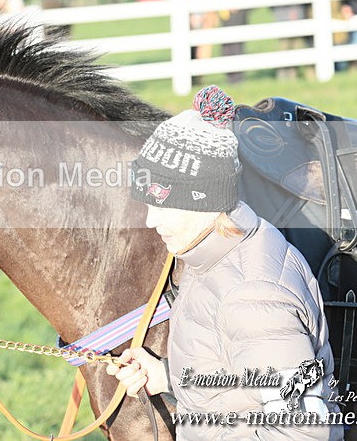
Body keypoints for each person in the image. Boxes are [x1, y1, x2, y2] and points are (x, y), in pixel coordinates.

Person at [110, 86, 341, 440]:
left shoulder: (253, 295)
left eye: (161, 204)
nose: (150, 220)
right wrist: (167, 376)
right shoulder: (211, 259)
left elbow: (303, 432)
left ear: (203, 201)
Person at [214, 0, 255, 83]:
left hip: (239, 19)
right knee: (226, 49)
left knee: (237, 48)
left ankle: (238, 77)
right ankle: (230, 77)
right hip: (226, 19)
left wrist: (239, 6)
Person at [270, 0, 308, 80]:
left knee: (297, 49)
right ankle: (282, 75)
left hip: (298, 26)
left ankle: (293, 74)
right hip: (284, 25)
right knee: (284, 50)